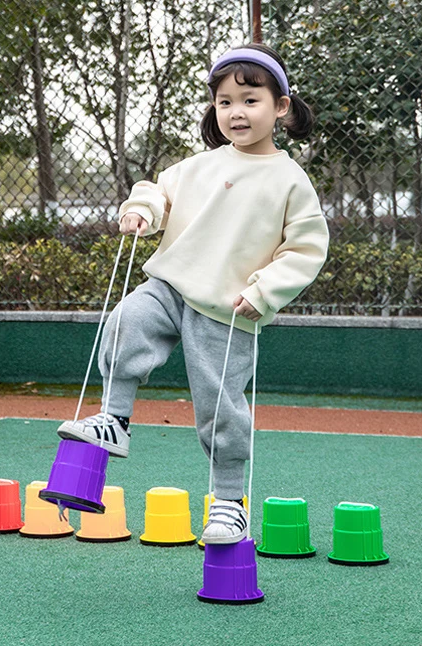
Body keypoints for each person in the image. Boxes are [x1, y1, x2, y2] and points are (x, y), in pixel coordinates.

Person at [57, 44, 329, 544]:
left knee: (221, 407)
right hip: (169, 286)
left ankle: (229, 503)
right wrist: (142, 210)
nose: (236, 112)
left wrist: (265, 291)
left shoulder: (291, 180)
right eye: (224, 102)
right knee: (124, 324)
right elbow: (156, 191)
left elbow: (306, 248)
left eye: (250, 100)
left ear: (281, 107)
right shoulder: (197, 166)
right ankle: (114, 420)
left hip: (228, 310)